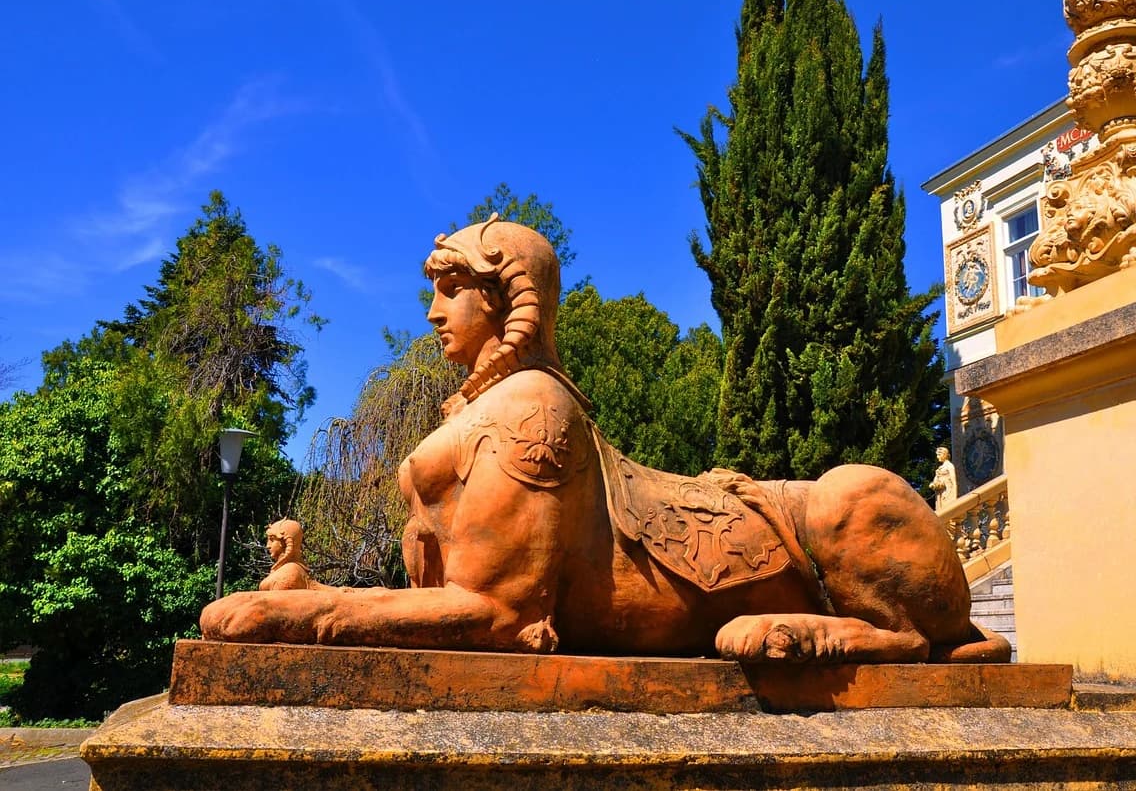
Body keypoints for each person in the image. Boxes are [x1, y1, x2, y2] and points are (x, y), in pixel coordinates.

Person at [201, 216, 1008, 663]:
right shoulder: (488, 414)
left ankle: (889, 638)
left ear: (508, 299)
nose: (434, 312)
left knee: (850, 492)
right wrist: (313, 594)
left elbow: (501, 617)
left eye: (454, 292)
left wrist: (312, 619)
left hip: (802, 534)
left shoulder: (534, 413)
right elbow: (442, 603)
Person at [258, 519, 319, 591]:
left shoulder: (290, 572)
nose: (268, 546)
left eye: (272, 540)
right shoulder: (286, 570)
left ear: (286, 543)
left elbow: (276, 600)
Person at [929, 446, 958, 511]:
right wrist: (933, 484)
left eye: (939, 455)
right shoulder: (940, 467)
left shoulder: (949, 466)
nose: (937, 457)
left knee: (947, 509)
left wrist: (953, 495)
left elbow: (954, 482)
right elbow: (936, 479)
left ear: (944, 454)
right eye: (937, 455)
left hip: (948, 492)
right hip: (940, 492)